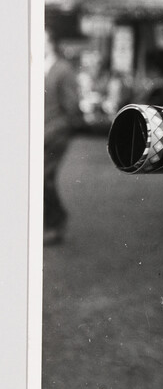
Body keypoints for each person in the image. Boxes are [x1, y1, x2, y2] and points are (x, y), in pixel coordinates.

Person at [44, 29, 82, 244]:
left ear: (50, 44)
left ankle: (55, 222)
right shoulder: (38, 67)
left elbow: (71, 107)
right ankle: (52, 221)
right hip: (40, 133)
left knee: (42, 178)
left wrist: (60, 129)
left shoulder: (63, 70)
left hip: (54, 134)